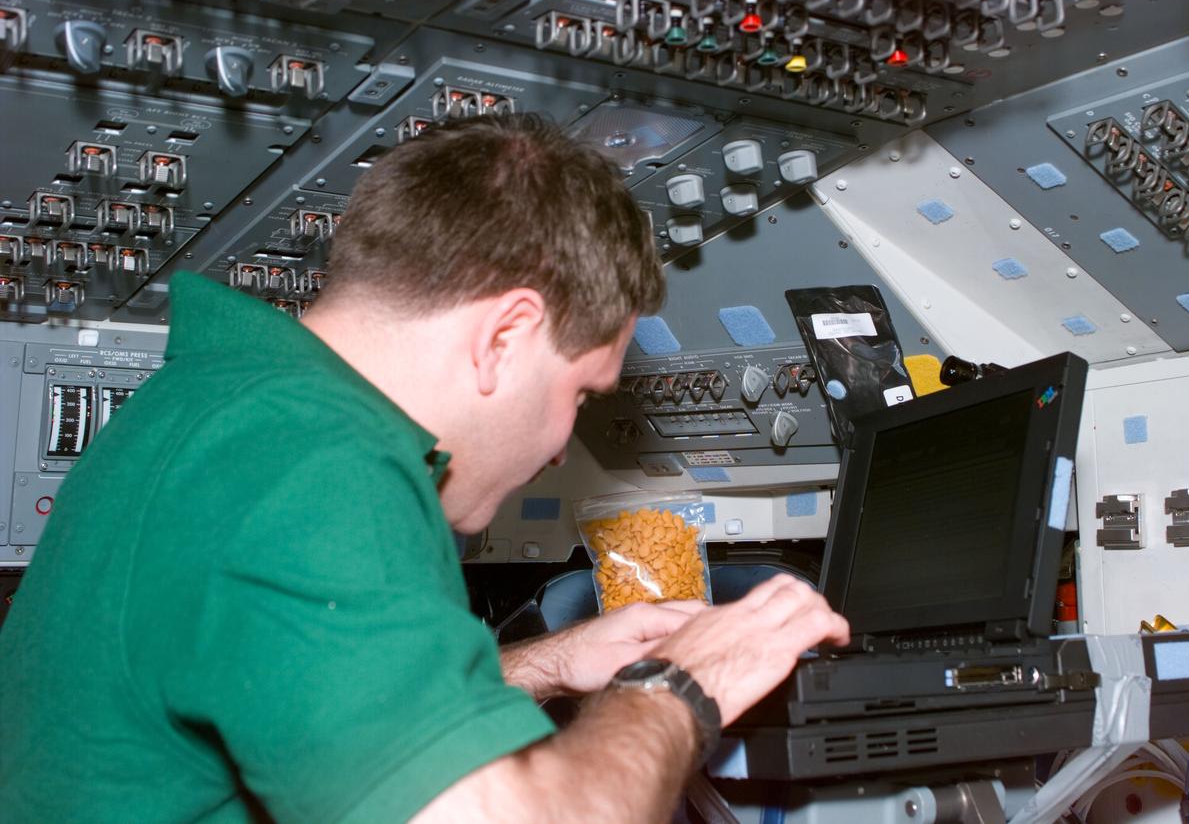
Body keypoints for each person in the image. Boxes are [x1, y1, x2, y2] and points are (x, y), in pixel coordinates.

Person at [0, 114, 849, 822]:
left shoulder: (222, 409)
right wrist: (682, 687)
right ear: (505, 337)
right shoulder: (321, 467)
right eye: (581, 394)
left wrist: (545, 664)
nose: (561, 446)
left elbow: (293, 700)